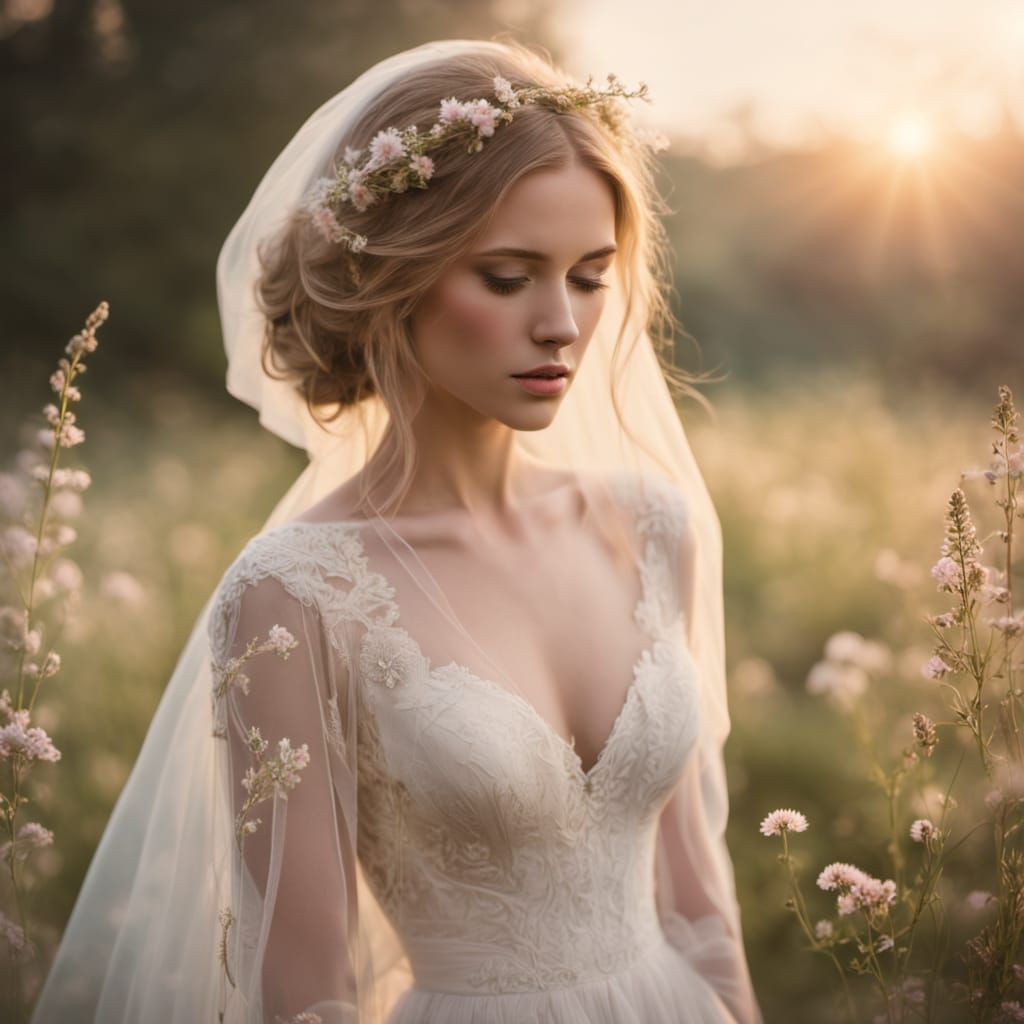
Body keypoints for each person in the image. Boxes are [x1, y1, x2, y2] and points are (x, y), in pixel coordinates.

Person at [30, 37, 763, 1024]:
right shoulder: (293, 592)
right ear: (393, 278)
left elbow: (699, 903)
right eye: (508, 277)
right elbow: (306, 987)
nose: (560, 324)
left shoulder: (648, 524)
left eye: (589, 276)